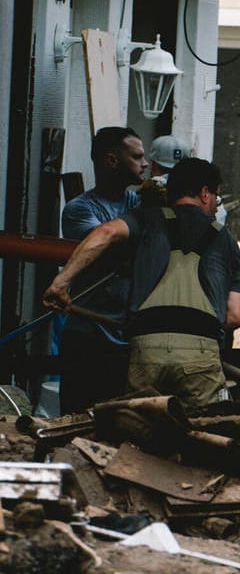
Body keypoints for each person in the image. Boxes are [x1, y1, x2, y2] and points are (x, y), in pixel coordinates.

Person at [45, 158, 240, 409]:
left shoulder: (146, 219)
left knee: (141, 427)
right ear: (205, 193)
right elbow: (236, 316)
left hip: (147, 346)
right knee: (204, 426)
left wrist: (61, 283)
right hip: (201, 348)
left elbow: (105, 233)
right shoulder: (227, 240)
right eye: (216, 198)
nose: (216, 207)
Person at [54, 126, 150, 411]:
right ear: (111, 160)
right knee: (77, 421)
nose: (145, 164)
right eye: (137, 156)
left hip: (128, 335)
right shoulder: (80, 209)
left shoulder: (141, 203)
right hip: (89, 333)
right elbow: (109, 247)